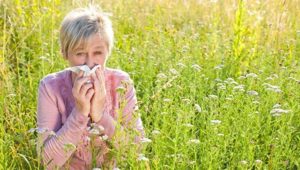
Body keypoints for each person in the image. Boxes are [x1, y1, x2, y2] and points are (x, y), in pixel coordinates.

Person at [36, 6, 145, 169]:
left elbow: (136, 151)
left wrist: (101, 115)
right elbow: (47, 162)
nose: (89, 63)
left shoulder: (121, 83)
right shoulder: (50, 87)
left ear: (108, 52)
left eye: (98, 53)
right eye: (80, 54)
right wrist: (80, 113)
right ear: (65, 53)